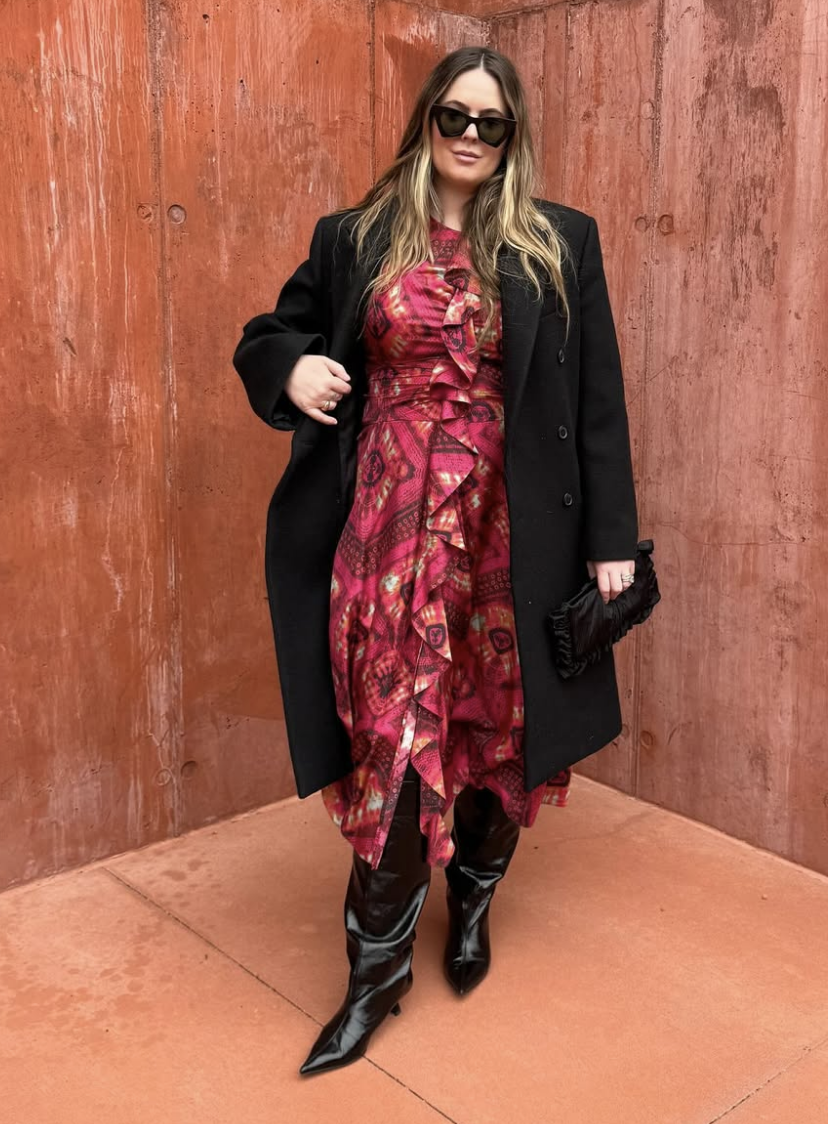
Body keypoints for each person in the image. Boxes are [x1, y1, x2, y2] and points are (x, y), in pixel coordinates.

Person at [233, 45, 638, 1077]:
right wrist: (298, 362)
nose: (468, 135)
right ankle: (375, 976)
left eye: (489, 123)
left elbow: (597, 402)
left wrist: (608, 544)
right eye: (453, 115)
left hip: (515, 536)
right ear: (426, 120)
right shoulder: (358, 237)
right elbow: (267, 332)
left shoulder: (559, 242)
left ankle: (472, 906)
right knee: (395, 732)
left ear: (512, 139)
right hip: (387, 533)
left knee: (500, 725)